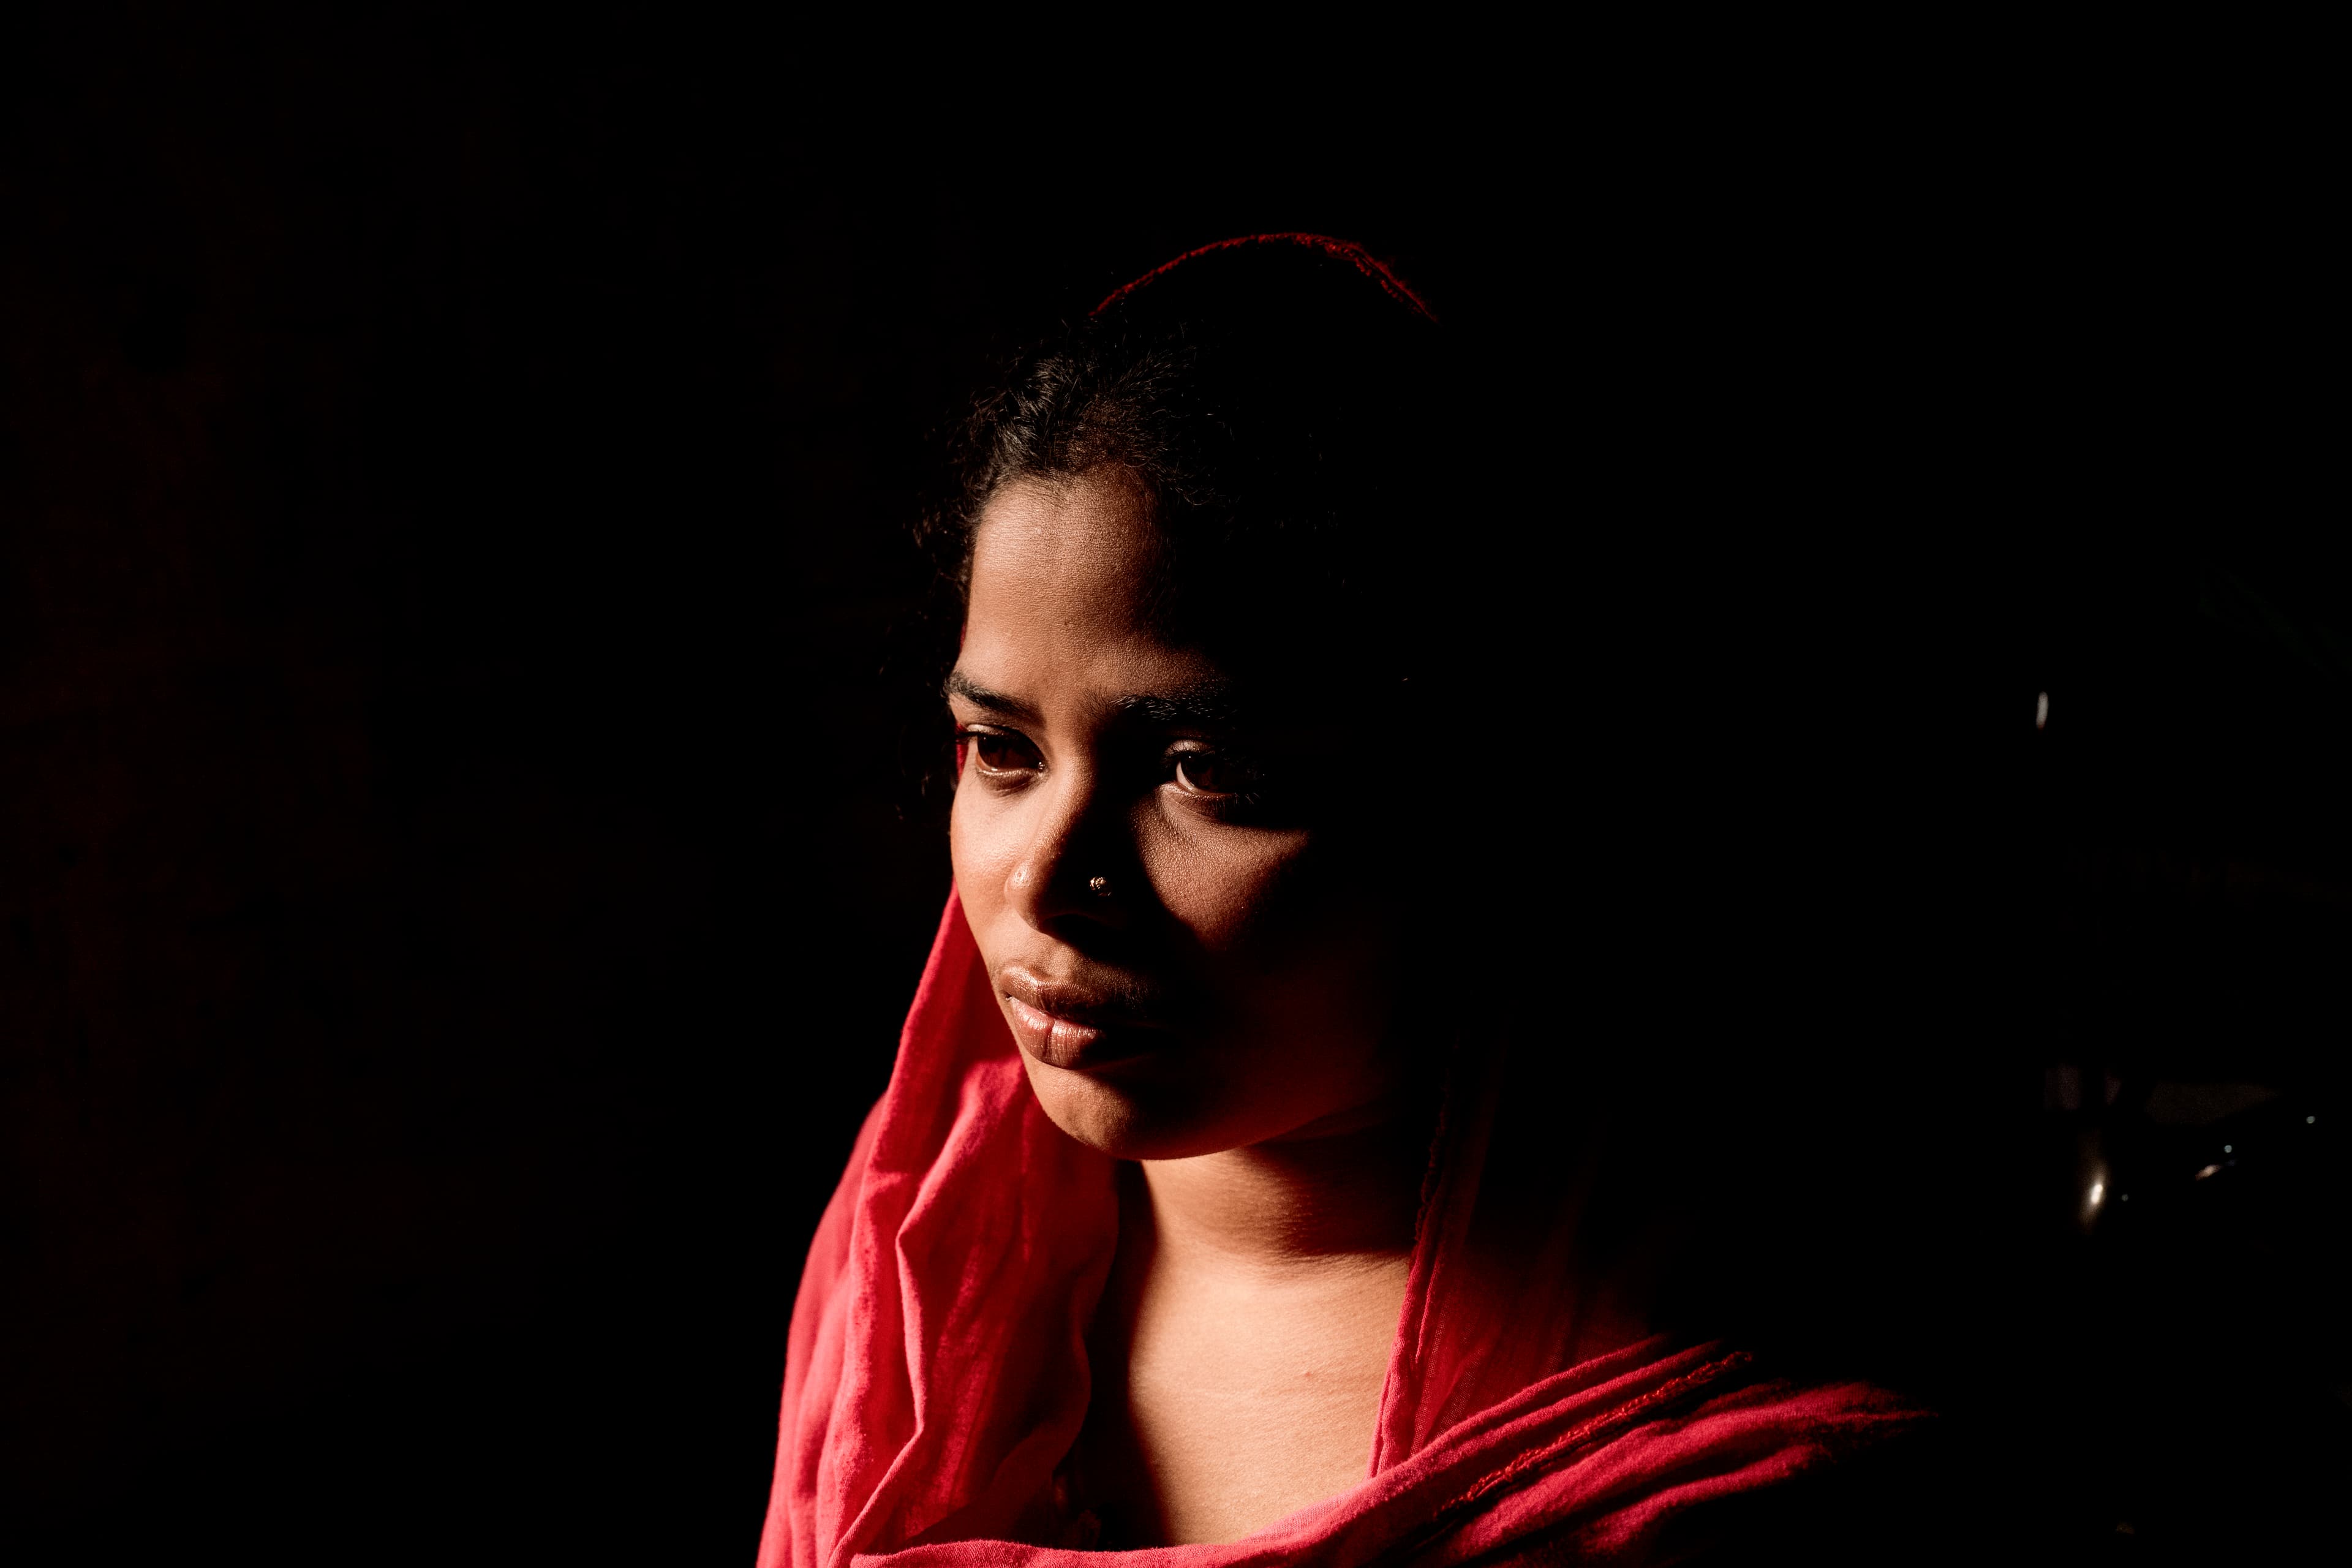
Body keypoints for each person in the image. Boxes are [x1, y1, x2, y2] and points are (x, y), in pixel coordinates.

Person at [756, 236, 1938, 1565]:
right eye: (1002, 749)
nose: (1047, 880)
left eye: (1206, 772)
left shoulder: (1744, 1454)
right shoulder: (925, 1241)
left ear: (1480, 799)